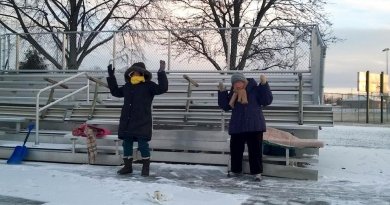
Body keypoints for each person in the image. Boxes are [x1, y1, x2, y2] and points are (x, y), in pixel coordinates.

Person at [106, 60, 168, 176]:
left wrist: (161, 72)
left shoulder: (149, 86)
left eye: (136, 72)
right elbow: (115, 92)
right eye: (132, 72)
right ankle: (127, 166)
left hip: (142, 121)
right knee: (127, 144)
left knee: (143, 145)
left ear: (141, 73)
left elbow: (163, 88)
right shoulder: (128, 85)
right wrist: (111, 76)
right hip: (128, 120)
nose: (134, 74)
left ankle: (146, 167)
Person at [218, 73, 273, 181]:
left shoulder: (255, 89)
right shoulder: (233, 93)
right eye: (235, 83)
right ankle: (236, 170)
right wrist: (222, 92)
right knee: (235, 150)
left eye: (239, 82)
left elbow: (267, 100)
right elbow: (226, 106)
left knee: (255, 151)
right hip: (238, 125)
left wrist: (264, 85)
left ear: (244, 81)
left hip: (254, 125)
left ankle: (257, 173)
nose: (237, 84)